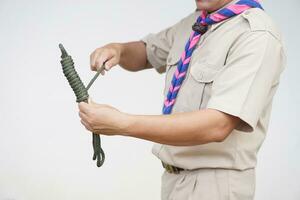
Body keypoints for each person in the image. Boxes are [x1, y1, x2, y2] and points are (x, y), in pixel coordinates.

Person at [78, 0, 286, 199]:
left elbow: (217, 125)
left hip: (215, 187)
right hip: (174, 180)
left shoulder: (255, 34)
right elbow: (147, 52)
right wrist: (119, 50)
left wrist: (122, 123)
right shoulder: (198, 22)